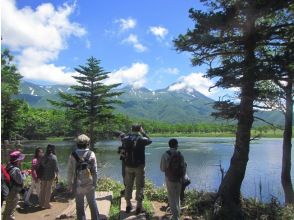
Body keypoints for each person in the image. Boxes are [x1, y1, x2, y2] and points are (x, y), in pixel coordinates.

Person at [67, 134, 99, 220]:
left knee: (80, 206)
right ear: (87, 143)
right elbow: (95, 171)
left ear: (77, 143)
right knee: (92, 203)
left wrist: (69, 184)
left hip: (78, 184)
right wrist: (95, 183)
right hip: (89, 183)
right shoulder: (91, 154)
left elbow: (70, 171)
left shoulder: (72, 155)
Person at [123, 124, 152, 214]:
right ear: (139, 129)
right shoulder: (141, 139)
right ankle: (139, 206)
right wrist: (143, 133)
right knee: (140, 186)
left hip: (128, 166)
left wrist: (130, 132)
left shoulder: (126, 138)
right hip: (139, 166)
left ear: (131, 129)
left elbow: (123, 138)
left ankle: (128, 205)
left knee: (128, 185)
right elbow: (150, 140)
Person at [160, 139, 186, 220]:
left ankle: (175, 218)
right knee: (177, 197)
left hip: (169, 179)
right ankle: (177, 215)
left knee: (171, 198)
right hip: (179, 179)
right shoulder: (180, 154)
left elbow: (162, 168)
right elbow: (184, 167)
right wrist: (183, 177)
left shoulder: (165, 154)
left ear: (169, 145)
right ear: (176, 145)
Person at [2, 150, 26, 220]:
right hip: (13, 190)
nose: (21, 161)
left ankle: (7, 217)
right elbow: (20, 180)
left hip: (8, 188)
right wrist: (24, 174)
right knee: (13, 203)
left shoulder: (9, 165)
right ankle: (9, 217)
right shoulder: (16, 169)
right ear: (17, 160)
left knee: (8, 205)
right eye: (20, 160)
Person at [39, 144, 59, 209]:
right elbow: (56, 168)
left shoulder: (43, 156)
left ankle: (41, 203)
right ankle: (47, 204)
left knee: (42, 188)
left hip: (43, 174)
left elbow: (41, 164)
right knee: (48, 189)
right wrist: (57, 175)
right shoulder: (54, 157)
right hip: (50, 175)